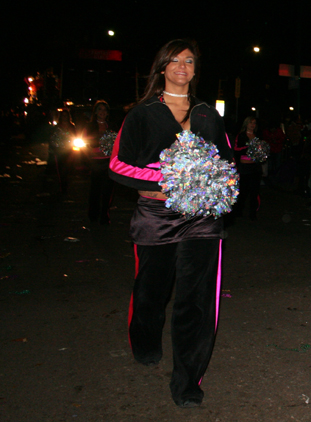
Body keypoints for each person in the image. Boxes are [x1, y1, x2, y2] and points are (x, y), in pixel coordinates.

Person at [109, 39, 233, 407]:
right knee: (151, 292)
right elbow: (118, 164)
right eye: (175, 60)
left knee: (195, 302)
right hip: (156, 216)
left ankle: (187, 381)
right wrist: (165, 182)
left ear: (195, 71)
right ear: (162, 67)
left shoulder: (209, 114)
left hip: (201, 220)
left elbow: (227, 163)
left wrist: (220, 187)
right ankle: (145, 340)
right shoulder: (142, 113)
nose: (182, 66)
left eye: (190, 61)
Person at [83, 100, 116, 224]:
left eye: (104, 110)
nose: (102, 112)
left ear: (107, 113)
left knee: (108, 190)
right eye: (100, 109)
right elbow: (85, 143)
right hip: (95, 162)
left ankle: (104, 214)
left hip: (108, 162)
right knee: (95, 190)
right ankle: (93, 214)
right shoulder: (90, 126)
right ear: (96, 112)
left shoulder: (111, 126)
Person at [233, 116, 263, 220]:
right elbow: (236, 149)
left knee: (254, 191)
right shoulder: (241, 135)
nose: (252, 125)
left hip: (255, 166)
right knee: (243, 191)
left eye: (254, 123)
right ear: (246, 124)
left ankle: (253, 213)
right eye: (251, 123)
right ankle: (239, 210)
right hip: (245, 166)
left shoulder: (257, 136)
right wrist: (248, 148)